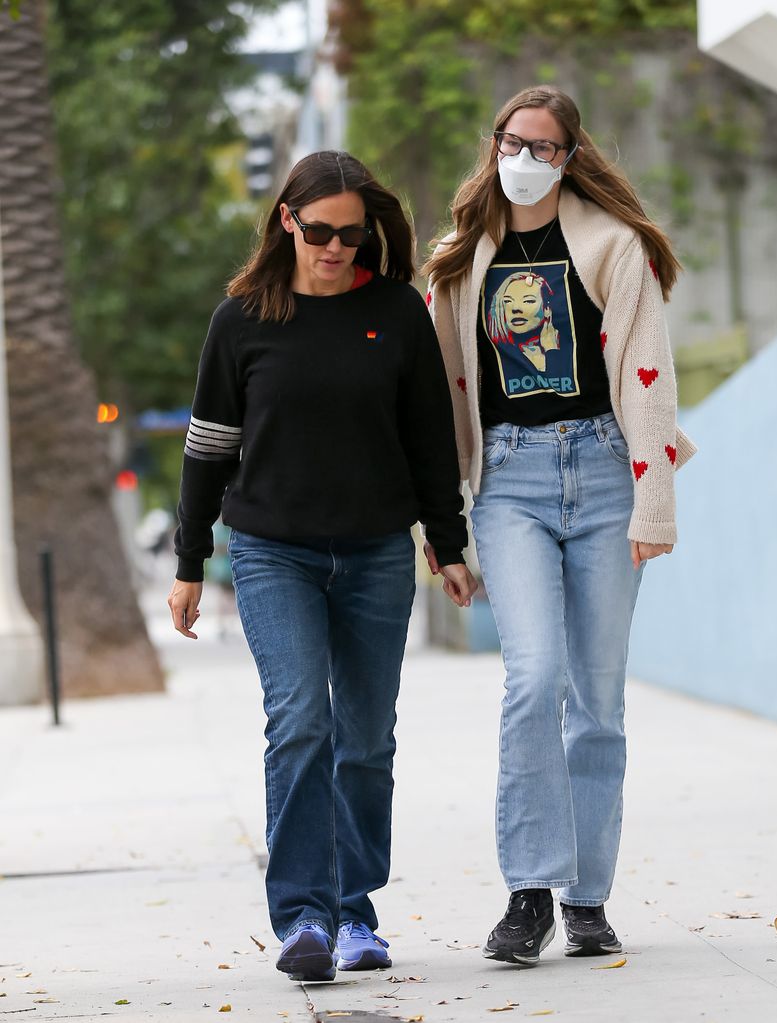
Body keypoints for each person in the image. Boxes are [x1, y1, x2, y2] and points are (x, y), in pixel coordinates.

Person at [168, 150, 477, 983]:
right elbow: (209, 447)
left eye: (352, 232)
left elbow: (426, 440)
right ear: (286, 221)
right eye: (320, 231)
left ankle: (354, 913)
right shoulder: (240, 319)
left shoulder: (396, 311)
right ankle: (304, 916)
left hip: (376, 552)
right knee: (301, 720)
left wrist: (446, 546)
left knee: (366, 740)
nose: (336, 246)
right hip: (273, 552)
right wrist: (190, 559)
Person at [423, 86, 696, 964]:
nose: (525, 158)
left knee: (599, 702)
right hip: (509, 478)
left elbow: (647, 377)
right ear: (492, 143)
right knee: (533, 678)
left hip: (606, 470)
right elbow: (438, 407)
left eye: (543, 147)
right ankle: (528, 890)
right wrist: (445, 533)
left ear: (570, 156)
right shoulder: (461, 260)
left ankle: (586, 896)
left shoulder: (614, 245)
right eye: (512, 141)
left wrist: (653, 502)